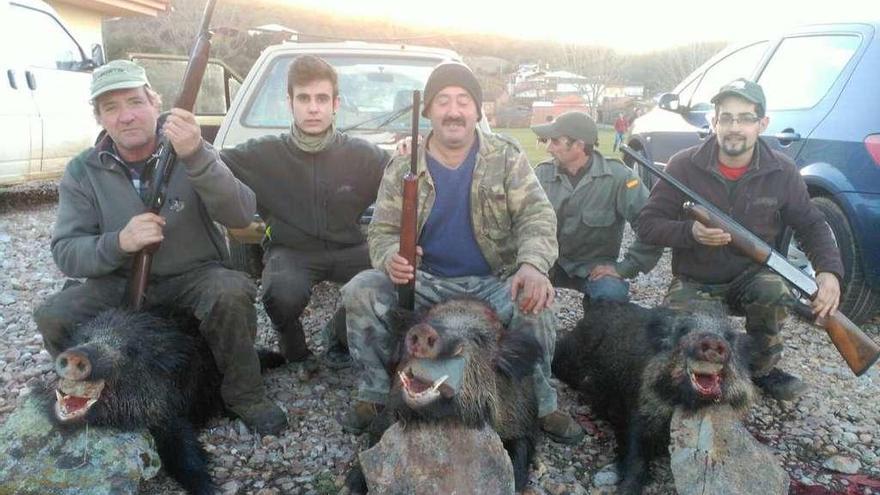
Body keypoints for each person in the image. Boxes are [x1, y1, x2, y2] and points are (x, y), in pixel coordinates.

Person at [33, 60, 287, 434]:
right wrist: (119, 242)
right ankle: (87, 387)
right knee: (53, 314)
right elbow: (67, 252)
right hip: (118, 280)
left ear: (155, 103)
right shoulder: (82, 170)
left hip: (192, 275)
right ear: (100, 118)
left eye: (135, 102)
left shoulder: (193, 149)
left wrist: (197, 155)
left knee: (229, 291)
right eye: (111, 108)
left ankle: (244, 395)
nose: (126, 116)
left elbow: (241, 212)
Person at [340, 61, 585, 444]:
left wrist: (533, 265)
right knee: (361, 290)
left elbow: (536, 215)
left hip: (493, 282)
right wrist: (390, 256)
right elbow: (382, 229)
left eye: (463, 101)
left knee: (538, 301)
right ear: (428, 112)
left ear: (477, 110)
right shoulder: (403, 164)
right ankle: (373, 393)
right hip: (426, 284)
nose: (453, 111)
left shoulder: (506, 156)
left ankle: (543, 401)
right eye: (443, 101)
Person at [637, 78, 843, 401]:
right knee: (676, 334)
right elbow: (647, 225)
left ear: (763, 123)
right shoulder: (682, 165)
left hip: (751, 277)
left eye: (746, 118)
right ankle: (697, 378)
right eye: (727, 117)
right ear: (714, 121)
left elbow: (812, 224)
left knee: (775, 290)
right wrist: (689, 233)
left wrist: (829, 271)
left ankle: (760, 370)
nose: (735, 127)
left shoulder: (783, 170)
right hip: (696, 278)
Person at [221, 55, 389, 366]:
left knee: (392, 279)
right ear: (290, 102)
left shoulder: (362, 154)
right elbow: (211, 164)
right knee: (280, 293)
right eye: (304, 98)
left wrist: (409, 153)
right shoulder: (263, 153)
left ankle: (338, 334)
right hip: (292, 252)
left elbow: (402, 170)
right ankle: (295, 350)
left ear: (335, 103)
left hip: (350, 248)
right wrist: (185, 143)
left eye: (322, 98)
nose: (313, 108)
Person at [532, 111, 662, 303]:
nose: (548, 149)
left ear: (579, 145)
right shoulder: (541, 174)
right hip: (547, 263)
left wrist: (625, 267)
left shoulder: (619, 178)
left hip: (594, 268)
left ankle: (596, 328)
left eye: (555, 142)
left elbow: (653, 226)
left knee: (611, 297)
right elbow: (521, 222)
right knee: (517, 292)